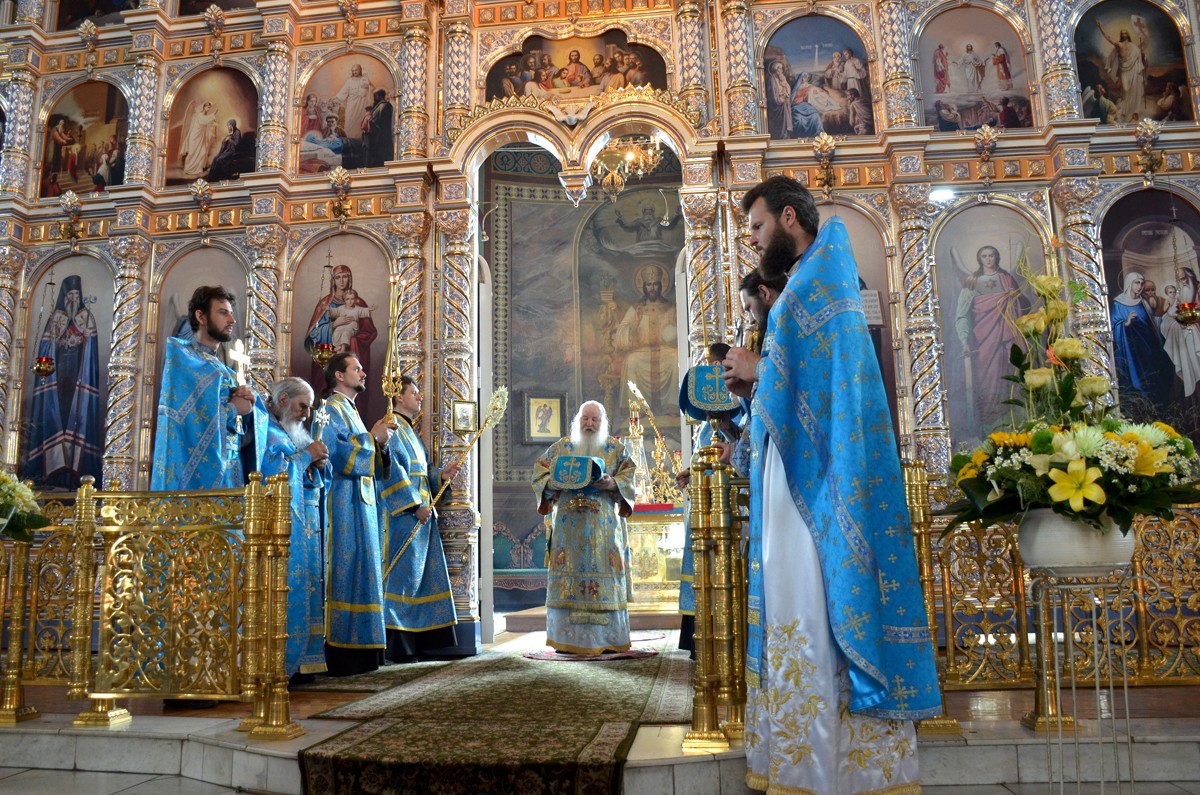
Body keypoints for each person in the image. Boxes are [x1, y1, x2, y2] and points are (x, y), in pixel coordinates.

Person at [724, 175, 940, 793]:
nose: (753, 240)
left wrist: (759, 368)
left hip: (816, 482)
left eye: (758, 226)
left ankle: (823, 766)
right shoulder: (809, 278)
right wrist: (756, 386)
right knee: (798, 597)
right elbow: (805, 386)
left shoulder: (820, 279)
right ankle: (806, 757)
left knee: (811, 597)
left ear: (789, 218)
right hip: (796, 470)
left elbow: (826, 380)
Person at [531, 400, 636, 655]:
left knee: (606, 577)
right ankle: (567, 640)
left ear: (602, 422)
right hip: (568, 531)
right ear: (577, 420)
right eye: (585, 418)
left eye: (594, 419)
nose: (589, 423)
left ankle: (606, 640)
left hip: (604, 530)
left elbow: (629, 475)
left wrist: (611, 483)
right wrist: (554, 484)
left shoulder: (615, 449)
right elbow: (539, 474)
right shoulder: (561, 448)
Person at [318, 351, 396, 675]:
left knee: (364, 570)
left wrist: (380, 445)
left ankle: (365, 649)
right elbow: (333, 452)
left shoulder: (350, 410)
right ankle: (343, 650)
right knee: (347, 569)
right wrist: (372, 438)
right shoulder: (328, 409)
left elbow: (372, 461)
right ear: (339, 375)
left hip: (362, 504)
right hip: (342, 504)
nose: (363, 373)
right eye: (357, 368)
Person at [377, 376, 461, 663]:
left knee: (420, 580)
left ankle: (421, 642)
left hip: (422, 518)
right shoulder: (391, 428)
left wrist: (440, 476)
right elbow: (390, 472)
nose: (419, 397)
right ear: (398, 397)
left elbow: (420, 475)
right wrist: (414, 505)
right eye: (414, 392)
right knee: (403, 580)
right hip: (402, 518)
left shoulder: (411, 432)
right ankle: (398, 646)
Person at [150, 285, 267, 491]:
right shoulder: (184, 361)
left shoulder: (224, 371)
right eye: (223, 312)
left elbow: (241, 430)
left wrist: (251, 404)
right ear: (201, 317)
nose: (232, 320)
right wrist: (233, 408)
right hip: (199, 479)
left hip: (232, 472)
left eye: (231, 313)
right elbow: (189, 423)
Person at [675, 342, 744, 657]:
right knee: (699, 569)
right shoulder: (705, 425)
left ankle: (718, 640)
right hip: (702, 504)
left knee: (719, 570)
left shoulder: (738, 412)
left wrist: (727, 425)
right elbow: (707, 456)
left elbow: (737, 451)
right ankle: (696, 640)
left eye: (713, 365)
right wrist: (692, 473)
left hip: (723, 507)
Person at [261, 377, 330, 681]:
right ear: (284, 399)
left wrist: (319, 465)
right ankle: (285, 662)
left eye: (310, 408)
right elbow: (271, 475)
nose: (306, 414)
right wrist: (307, 457)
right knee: (288, 589)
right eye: (303, 406)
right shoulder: (268, 431)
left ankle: (306, 662)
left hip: (308, 523)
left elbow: (306, 473)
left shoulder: (292, 432)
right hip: (282, 526)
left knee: (310, 585)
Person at [24, 275, 103, 489]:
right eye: (70, 295)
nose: (73, 299)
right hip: (57, 379)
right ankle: (52, 476)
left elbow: (91, 350)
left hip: (78, 376)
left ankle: (75, 478)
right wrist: (58, 342)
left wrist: (83, 339)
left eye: (77, 295)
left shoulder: (86, 318)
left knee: (75, 420)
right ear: (64, 296)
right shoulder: (55, 318)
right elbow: (46, 348)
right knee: (56, 417)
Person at [955, 244, 1027, 437]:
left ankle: (1015, 427)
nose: (988, 259)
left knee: (1010, 377)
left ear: (997, 257)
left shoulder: (1006, 278)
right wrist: (964, 340)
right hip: (984, 342)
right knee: (988, 380)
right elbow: (962, 314)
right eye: (984, 256)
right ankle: (989, 429)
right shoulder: (972, 281)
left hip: (1008, 338)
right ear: (979, 259)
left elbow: (1021, 306)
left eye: (991, 255)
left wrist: (1012, 299)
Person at [614, 262, 677, 416]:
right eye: (649, 284)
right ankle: (637, 408)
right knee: (631, 361)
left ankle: (673, 407)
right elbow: (621, 333)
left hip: (665, 351)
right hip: (642, 352)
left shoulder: (670, 308)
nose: (652, 288)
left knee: (676, 359)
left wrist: (673, 331)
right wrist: (634, 325)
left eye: (655, 284)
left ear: (661, 285)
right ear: (643, 286)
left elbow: (679, 330)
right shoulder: (636, 308)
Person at [306, 263, 378, 392]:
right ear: (333, 280)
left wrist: (354, 341)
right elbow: (313, 335)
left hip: (352, 356)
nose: (341, 281)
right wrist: (334, 324)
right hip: (329, 357)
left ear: (350, 279)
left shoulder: (358, 303)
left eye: (345, 277)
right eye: (338, 277)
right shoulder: (325, 303)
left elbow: (369, 332)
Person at [1111, 271, 1174, 415]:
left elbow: (1152, 324)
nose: (1140, 286)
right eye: (1137, 283)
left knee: (1155, 376)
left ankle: (1155, 409)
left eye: (1141, 283)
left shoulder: (1143, 302)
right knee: (1137, 381)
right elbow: (1113, 327)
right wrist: (1126, 323)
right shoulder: (1118, 303)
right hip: (1131, 351)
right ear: (1129, 284)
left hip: (1148, 349)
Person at [1097, 19, 1147, 122]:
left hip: (1133, 70)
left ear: (1127, 35)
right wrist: (1100, 28)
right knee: (1126, 89)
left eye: (1125, 33)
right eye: (1122, 33)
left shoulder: (1134, 47)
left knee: (1133, 90)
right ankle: (1124, 110)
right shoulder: (1119, 44)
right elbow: (1109, 38)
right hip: (1124, 70)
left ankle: (1132, 112)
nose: (1124, 35)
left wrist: (1142, 56)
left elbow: (1140, 57)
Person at [1159, 283, 1200, 397]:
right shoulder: (1168, 300)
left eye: (1173, 292)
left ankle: (1196, 349)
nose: (1172, 294)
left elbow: (1182, 309)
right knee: (1181, 328)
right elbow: (1166, 311)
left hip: (1178, 318)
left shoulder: (1178, 299)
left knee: (1191, 328)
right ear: (1167, 293)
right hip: (1170, 319)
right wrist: (1171, 307)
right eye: (1170, 292)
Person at [180, 101, 220, 178]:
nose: (208, 109)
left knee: (203, 152)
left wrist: (215, 124)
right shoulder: (199, 115)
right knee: (192, 153)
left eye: (209, 107)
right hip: (195, 137)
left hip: (200, 137)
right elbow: (203, 121)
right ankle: (188, 169)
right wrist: (213, 114)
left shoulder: (204, 116)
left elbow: (208, 123)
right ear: (204, 107)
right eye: (208, 107)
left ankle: (198, 169)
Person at [334, 64, 373, 130]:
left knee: (360, 123)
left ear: (360, 70)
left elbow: (372, 89)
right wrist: (335, 98)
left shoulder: (365, 79)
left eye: (356, 70)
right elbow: (343, 92)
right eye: (353, 71)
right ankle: (348, 135)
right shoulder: (349, 81)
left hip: (362, 105)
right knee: (349, 122)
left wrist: (368, 87)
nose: (354, 72)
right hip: (351, 105)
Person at [364, 89, 393, 168]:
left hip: (381, 138)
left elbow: (383, 123)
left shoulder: (385, 106)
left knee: (380, 158)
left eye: (375, 96)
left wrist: (371, 122)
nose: (374, 98)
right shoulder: (378, 107)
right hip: (375, 137)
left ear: (379, 96)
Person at [765, 60, 792, 139]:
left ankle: (786, 134)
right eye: (779, 68)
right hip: (777, 105)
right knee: (781, 122)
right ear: (775, 69)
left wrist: (785, 85)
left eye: (781, 68)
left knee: (786, 120)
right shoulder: (772, 79)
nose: (781, 70)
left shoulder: (782, 77)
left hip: (784, 102)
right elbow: (773, 93)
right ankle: (782, 135)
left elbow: (788, 89)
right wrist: (779, 100)